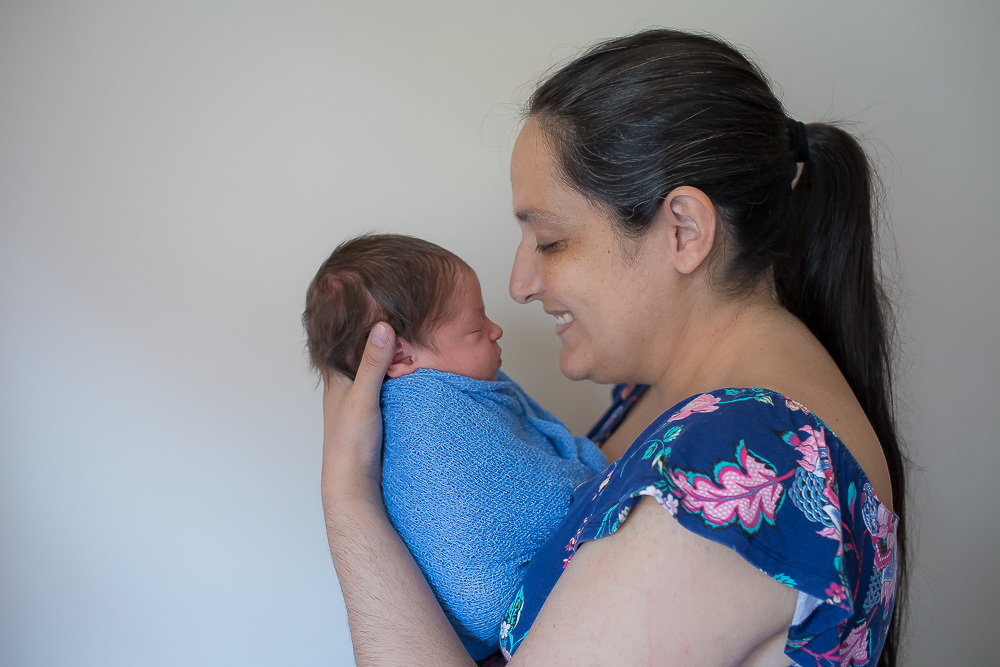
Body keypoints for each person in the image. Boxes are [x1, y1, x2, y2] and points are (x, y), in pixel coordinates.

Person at [319, 29, 907, 666]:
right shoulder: (662, 400)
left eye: (549, 241)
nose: (519, 285)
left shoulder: (742, 464)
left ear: (684, 230)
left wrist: (347, 498)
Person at [302, 233, 607, 660]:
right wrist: (591, 470)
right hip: (500, 606)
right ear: (400, 358)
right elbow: (490, 561)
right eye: (476, 327)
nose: (496, 330)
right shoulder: (431, 415)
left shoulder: (452, 388)